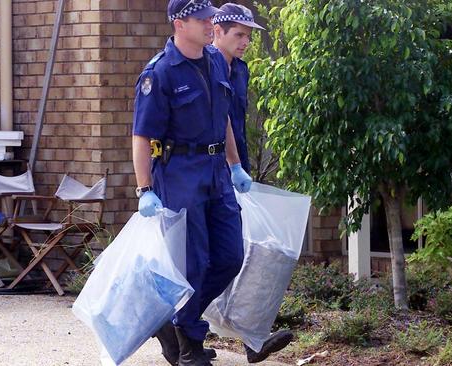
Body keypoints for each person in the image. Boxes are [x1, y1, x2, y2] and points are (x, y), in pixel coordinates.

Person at [131, 0, 253, 365]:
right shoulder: (160, 72)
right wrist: (144, 189)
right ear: (179, 23)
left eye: (211, 17)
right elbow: (141, 135)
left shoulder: (215, 61)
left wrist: (235, 166)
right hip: (180, 171)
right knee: (194, 263)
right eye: (202, 19)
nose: (209, 23)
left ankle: (176, 323)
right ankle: (189, 345)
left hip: (217, 170)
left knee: (231, 257)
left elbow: (224, 117)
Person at [211, 3, 294, 363]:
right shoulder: (203, 65)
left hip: (234, 170)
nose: (245, 42)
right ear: (218, 32)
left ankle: (250, 338)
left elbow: (237, 124)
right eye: (239, 35)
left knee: (247, 253)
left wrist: (239, 168)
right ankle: (174, 329)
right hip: (206, 172)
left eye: (248, 35)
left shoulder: (240, 70)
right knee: (213, 256)